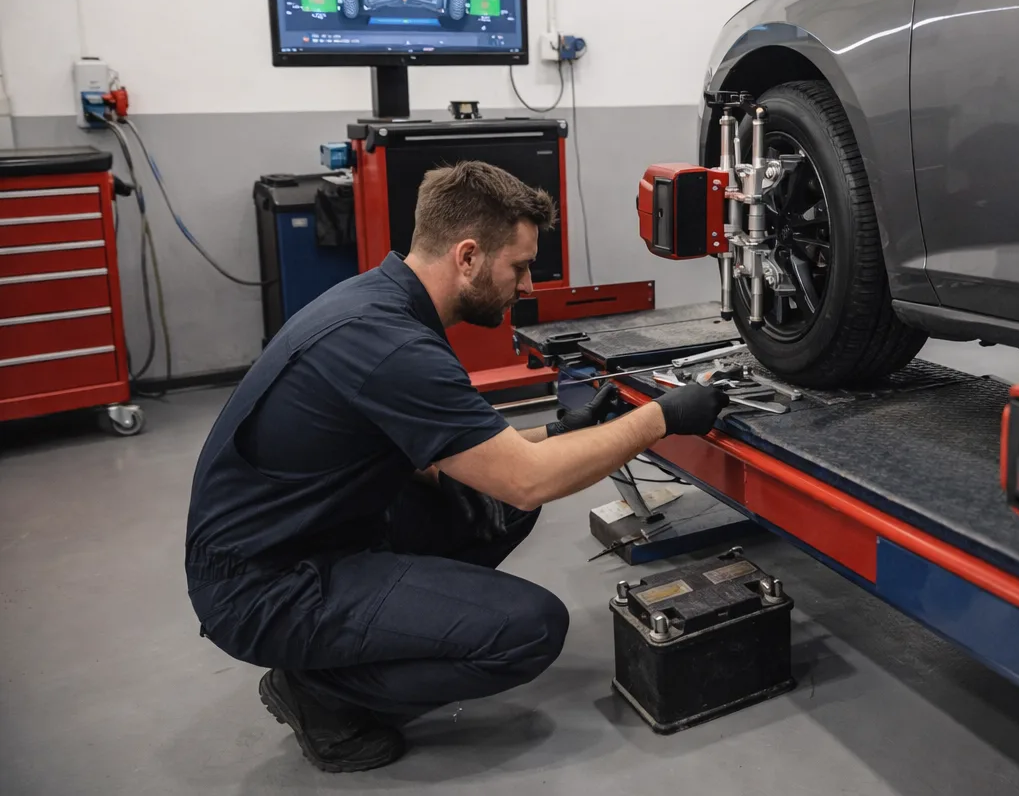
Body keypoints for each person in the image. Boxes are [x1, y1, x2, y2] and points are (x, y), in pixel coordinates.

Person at [184, 160, 728, 773]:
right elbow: (527, 477)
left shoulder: (381, 302)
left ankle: (371, 633)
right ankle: (320, 693)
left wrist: (561, 431)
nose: (528, 286)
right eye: (519, 267)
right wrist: (661, 417)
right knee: (528, 628)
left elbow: (466, 454)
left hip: (316, 533)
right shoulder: (391, 345)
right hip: (263, 586)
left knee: (496, 507)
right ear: (467, 257)